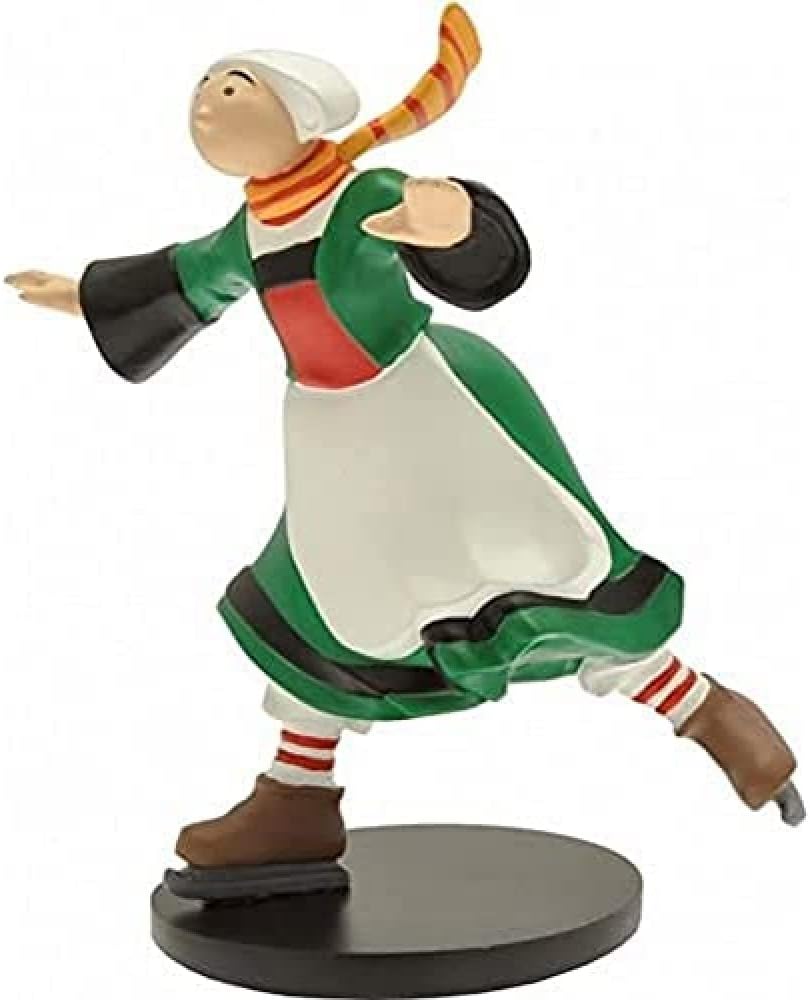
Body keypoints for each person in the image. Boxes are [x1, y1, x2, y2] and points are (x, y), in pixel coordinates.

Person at [6, 5, 802, 900]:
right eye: (202, 88)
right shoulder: (251, 228)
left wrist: (450, 222)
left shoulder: (364, 194)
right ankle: (295, 799)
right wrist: (83, 294)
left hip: (430, 409)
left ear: (299, 113)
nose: (207, 102)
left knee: (542, 572)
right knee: (319, 599)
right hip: (335, 438)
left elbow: (465, 247)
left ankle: (710, 712)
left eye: (233, 87)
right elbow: (189, 277)